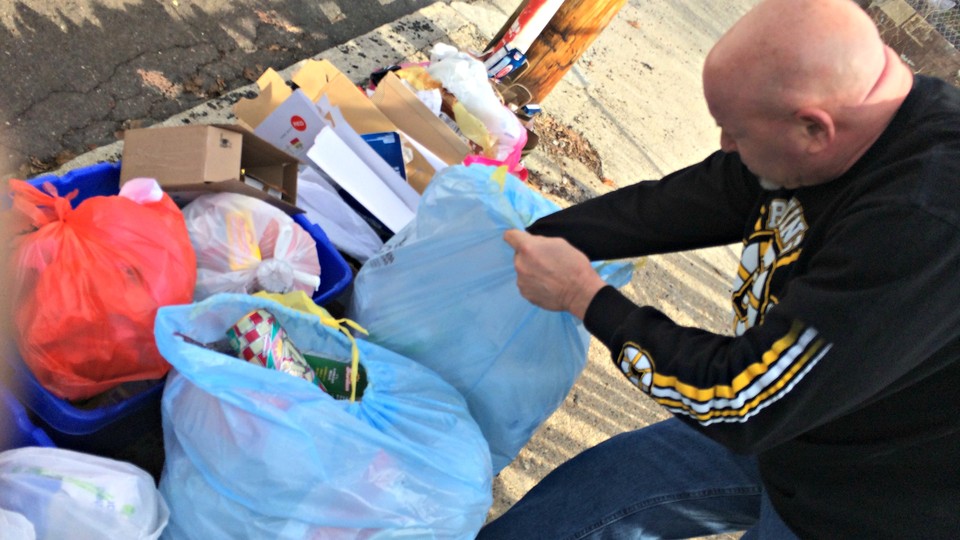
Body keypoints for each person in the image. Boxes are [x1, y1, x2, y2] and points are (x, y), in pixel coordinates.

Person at [483, 0, 960, 537]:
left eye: (736, 133)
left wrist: (584, 296)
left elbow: (740, 399)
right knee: (563, 514)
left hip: (867, 501)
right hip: (778, 413)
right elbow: (705, 195)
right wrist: (533, 237)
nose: (725, 144)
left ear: (814, 129)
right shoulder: (865, 118)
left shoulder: (922, 221)